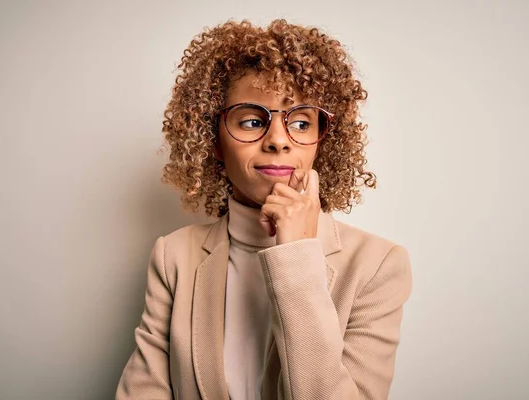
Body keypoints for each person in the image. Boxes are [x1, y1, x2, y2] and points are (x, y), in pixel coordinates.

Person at [116, 19, 412, 400]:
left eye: (301, 122)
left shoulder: (378, 265)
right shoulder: (174, 256)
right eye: (253, 121)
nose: (278, 141)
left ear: (321, 142)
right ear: (215, 141)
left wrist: (296, 255)